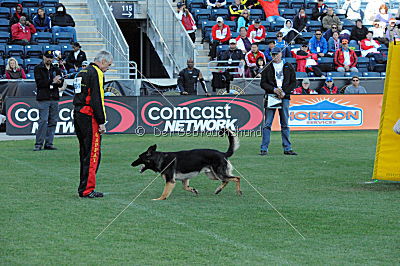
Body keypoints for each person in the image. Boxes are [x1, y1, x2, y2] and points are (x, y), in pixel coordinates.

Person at [73, 50, 113, 198]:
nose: (107, 68)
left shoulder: (81, 72)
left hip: (78, 114)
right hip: (89, 117)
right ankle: (87, 189)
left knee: (84, 152)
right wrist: (101, 121)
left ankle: (83, 187)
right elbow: (97, 99)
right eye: (108, 65)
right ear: (102, 61)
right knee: (93, 154)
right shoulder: (96, 73)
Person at [259, 47, 297, 156]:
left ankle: (287, 148)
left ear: (281, 54)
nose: (275, 56)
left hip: (284, 97)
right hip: (271, 96)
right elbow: (263, 83)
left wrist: (285, 92)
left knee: (285, 123)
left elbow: (294, 82)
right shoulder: (267, 67)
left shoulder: (288, 66)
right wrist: (274, 89)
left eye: (277, 54)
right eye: (273, 54)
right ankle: (264, 148)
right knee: (267, 124)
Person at [33, 50, 63, 151]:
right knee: (43, 120)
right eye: (47, 57)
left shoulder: (56, 69)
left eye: (51, 58)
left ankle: (49, 143)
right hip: (44, 97)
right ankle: (39, 143)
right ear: (43, 57)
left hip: (54, 97)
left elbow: (61, 84)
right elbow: (40, 83)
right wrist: (52, 81)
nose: (49, 59)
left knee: (53, 121)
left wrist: (59, 81)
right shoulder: (38, 68)